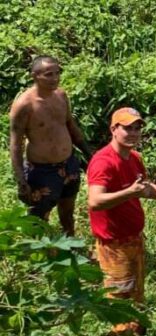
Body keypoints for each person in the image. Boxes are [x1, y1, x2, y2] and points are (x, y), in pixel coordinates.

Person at [87, 107, 156, 335]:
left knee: (138, 300)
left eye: (137, 128)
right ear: (113, 129)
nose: (133, 133)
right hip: (114, 246)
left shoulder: (134, 158)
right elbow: (95, 201)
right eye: (127, 128)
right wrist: (130, 192)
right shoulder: (103, 162)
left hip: (135, 241)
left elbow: (146, 190)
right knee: (120, 305)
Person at [9, 55, 91, 236]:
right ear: (34, 76)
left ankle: (70, 245)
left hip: (68, 164)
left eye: (57, 73)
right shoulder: (24, 105)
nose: (55, 78)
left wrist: (89, 153)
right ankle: (38, 255)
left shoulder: (61, 96)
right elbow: (15, 145)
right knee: (39, 217)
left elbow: (71, 125)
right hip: (42, 170)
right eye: (48, 74)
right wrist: (21, 181)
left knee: (68, 210)